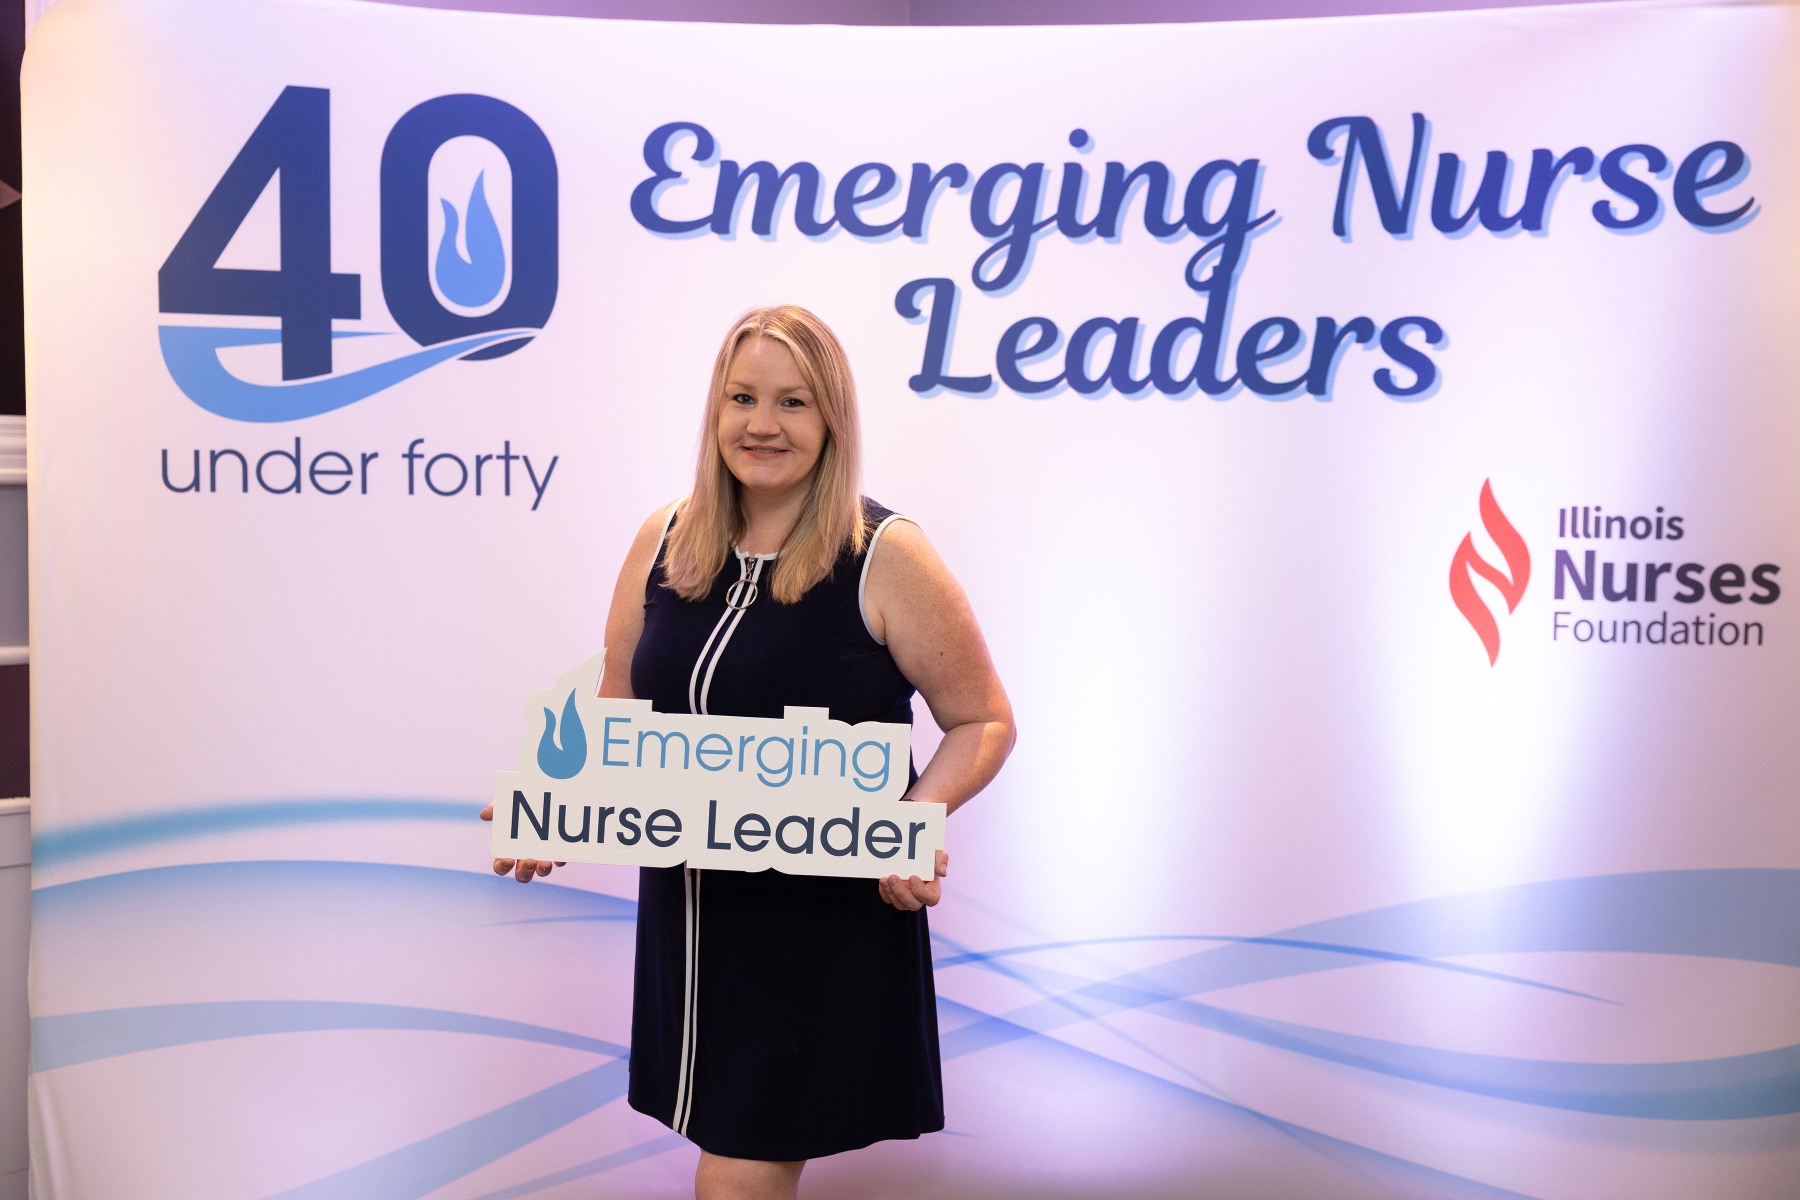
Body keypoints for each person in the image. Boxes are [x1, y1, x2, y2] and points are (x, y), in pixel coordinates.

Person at [482, 304, 1014, 1200]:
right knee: (726, 1160)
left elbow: (984, 720)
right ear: (715, 410)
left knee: (734, 1176)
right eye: (743, 398)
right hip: (691, 921)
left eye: (793, 402)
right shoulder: (663, 539)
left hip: (814, 929)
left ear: (833, 419)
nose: (763, 424)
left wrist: (914, 819)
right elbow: (622, 703)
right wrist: (558, 803)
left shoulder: (885, 554)